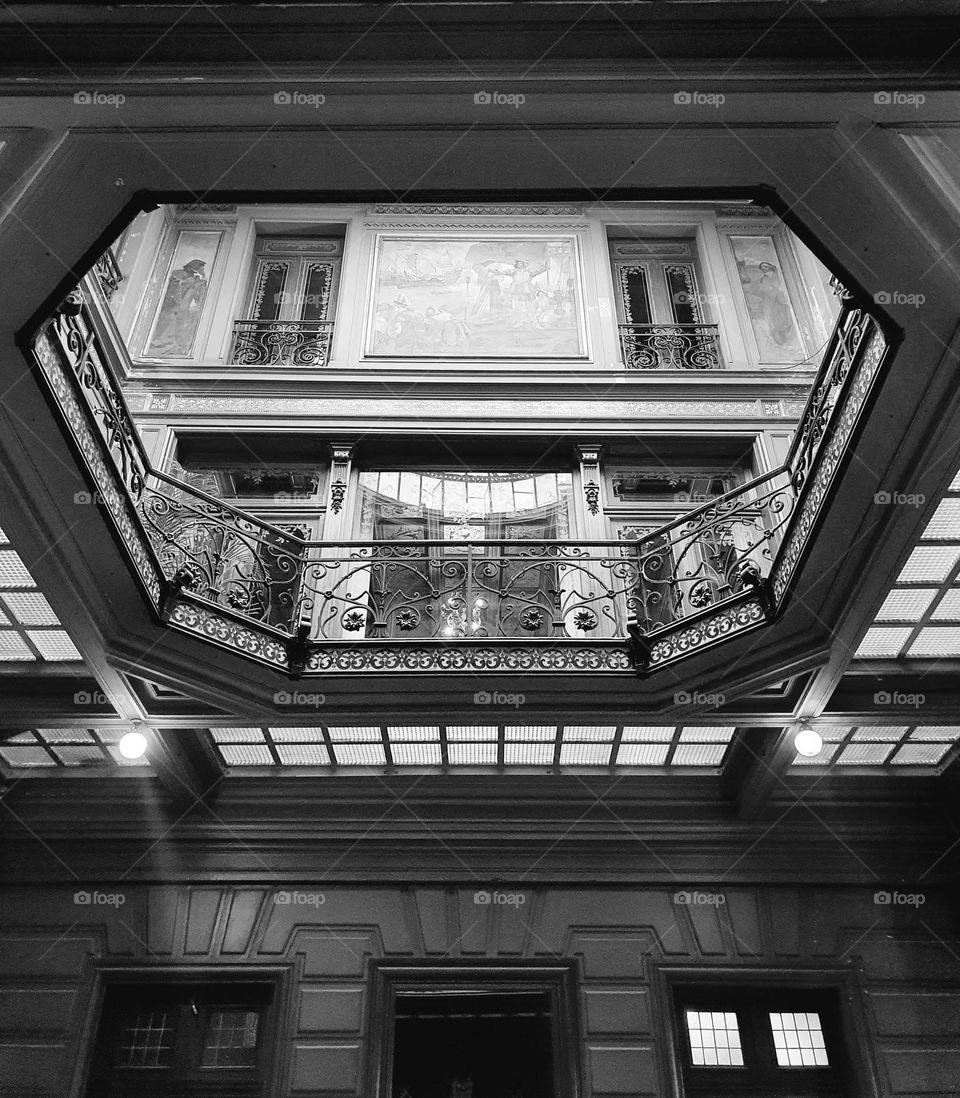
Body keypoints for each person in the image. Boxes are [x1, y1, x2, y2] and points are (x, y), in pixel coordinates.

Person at [148, 257, 208, 355]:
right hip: (172, 303)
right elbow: (176, 285)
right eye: (201, 269)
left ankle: (171, 342)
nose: (203, 271)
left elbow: (196, 292)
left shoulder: (195, 278)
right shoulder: (180, 274)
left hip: (181, 304)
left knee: (180, 320)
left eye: (203, 269)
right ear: (194, 268)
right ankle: (159, 340)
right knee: (170, 318)